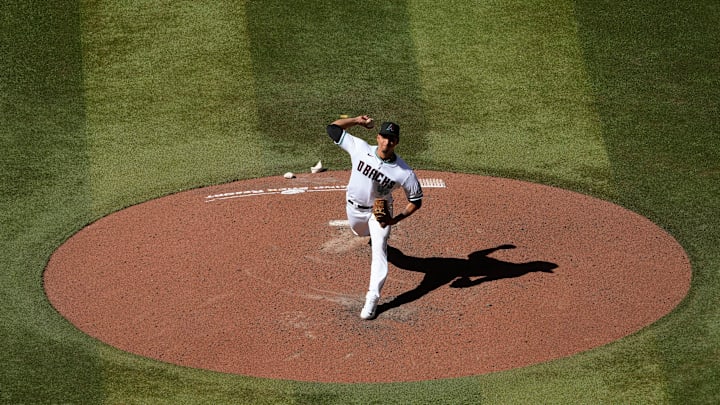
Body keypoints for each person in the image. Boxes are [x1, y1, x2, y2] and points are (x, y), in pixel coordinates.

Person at [326, 115, 423, 319]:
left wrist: (395, 220)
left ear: (396, 142)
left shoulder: (404, 172)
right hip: (354, 211)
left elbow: (416, 200)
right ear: (378, 137)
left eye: (392, 139)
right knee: (358, 232)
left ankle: (372, 299)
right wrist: (357, 121)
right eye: (385, 137)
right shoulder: (360, 148)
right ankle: (371, 235)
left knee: (379, 249)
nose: (387, 142)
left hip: (379, 213)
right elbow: (333, 129)